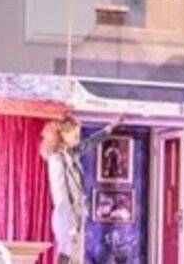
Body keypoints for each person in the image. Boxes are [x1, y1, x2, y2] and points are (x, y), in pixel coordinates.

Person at [41, 113, 122, 264]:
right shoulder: (57, 159)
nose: (78, 137)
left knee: (75, 257)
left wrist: (110, 128)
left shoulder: (70, 153)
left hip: (76, 215)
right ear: (63, 134)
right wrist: (70, 224)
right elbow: (61, 195)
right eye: (75, 134)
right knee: (67, 256)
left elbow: (89, 143)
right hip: (66, 216)